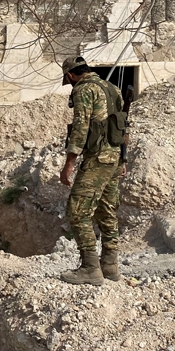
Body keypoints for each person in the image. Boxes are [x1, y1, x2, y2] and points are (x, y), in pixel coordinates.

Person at [59, 56, 125, 286]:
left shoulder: (83, 90)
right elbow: (123, 126)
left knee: (77, 212)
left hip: (97, 159)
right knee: (107, 210)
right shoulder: (113, 88)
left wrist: (69, 163)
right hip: (114, 158)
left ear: (70, 75)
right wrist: (123, 159)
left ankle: (90, 268)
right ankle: (110, 266)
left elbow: (81, 127)